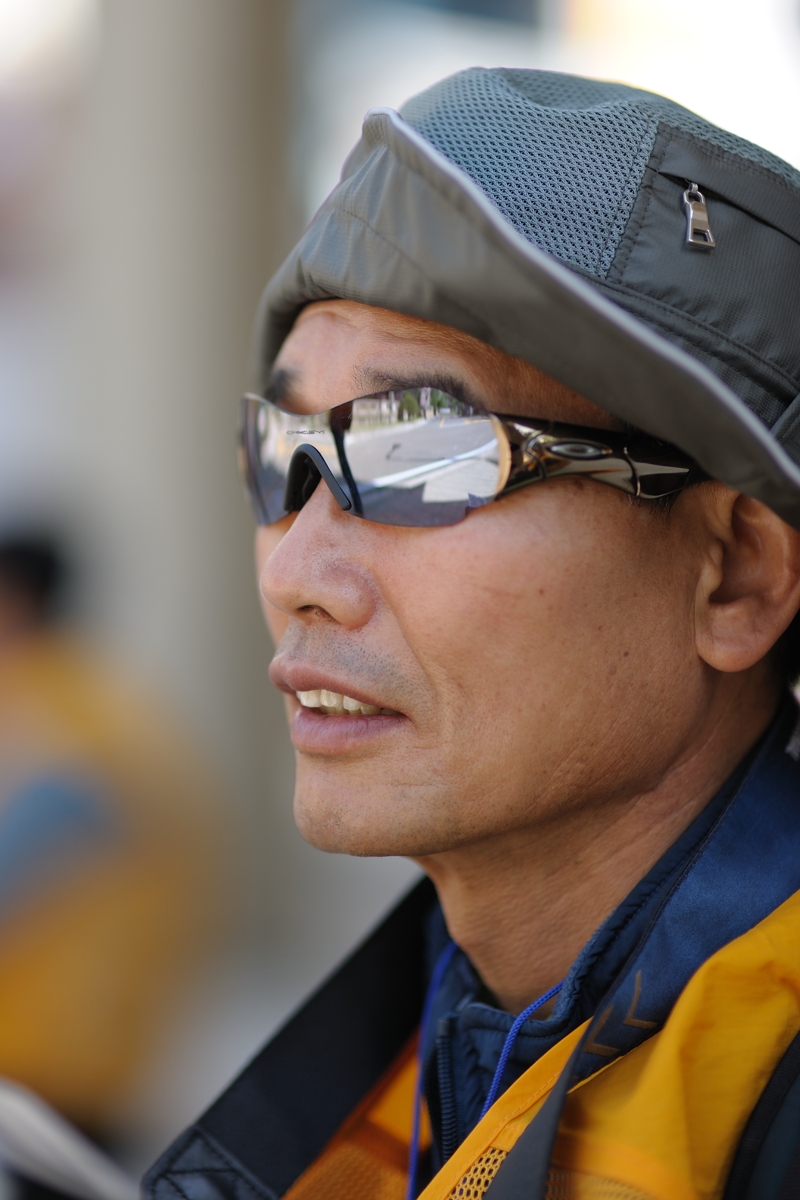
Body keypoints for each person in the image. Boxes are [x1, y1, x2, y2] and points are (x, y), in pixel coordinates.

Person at [145, 70, 800, 1200]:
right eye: (281, 452)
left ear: (734, 578)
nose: (296, 573)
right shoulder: (444, 1044)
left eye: (419, 456)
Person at [0, 533, 227, 1144]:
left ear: (12, 602)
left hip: (45, 1060)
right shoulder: (108, 701)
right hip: (101, 1054)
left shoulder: (47, 713)